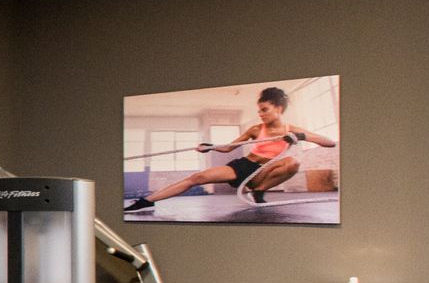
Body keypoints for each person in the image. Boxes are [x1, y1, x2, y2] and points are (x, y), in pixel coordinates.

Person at [124, 86, 337, 213]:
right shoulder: (255, 129)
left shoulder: (292, 130)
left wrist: (301, 136)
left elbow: (330, 143)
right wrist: (209, 147)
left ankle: (259, 191)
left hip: (265, 171)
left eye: (265, 110)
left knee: (293, 162)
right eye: (259, 110)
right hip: (243, 167)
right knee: (197, 177)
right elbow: (228, 148)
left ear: (278, 108)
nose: (261, 114)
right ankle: (144, 202)